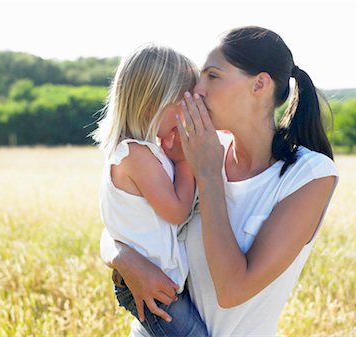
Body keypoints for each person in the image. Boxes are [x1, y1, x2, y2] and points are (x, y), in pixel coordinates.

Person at [101, 26, 339, 337]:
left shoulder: (310, 176)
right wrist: (123, 258)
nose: (196, 90)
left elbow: (231, 291)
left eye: (212, 76)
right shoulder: (194, 148)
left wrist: (209, 175)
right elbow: (126, 218)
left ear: (260, 85)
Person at [92, 44, 209, 337]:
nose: (188, 112)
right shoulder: (136, 155)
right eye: (182, 103)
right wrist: (184, 160)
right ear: (152, 104)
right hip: (152, 288)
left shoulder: (148, 152)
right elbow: (177, 211)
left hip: (160, 282)